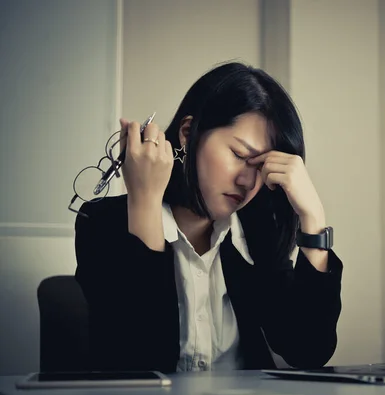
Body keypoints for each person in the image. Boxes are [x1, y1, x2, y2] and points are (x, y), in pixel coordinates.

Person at [74, 61, 343, 374]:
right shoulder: (102, 222)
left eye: (259, 167)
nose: (247, 181)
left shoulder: (257, 235)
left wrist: (313, 219)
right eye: (240, 156)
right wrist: (145, 201)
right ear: (188, 133)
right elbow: (138, 362)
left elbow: (308, 351)